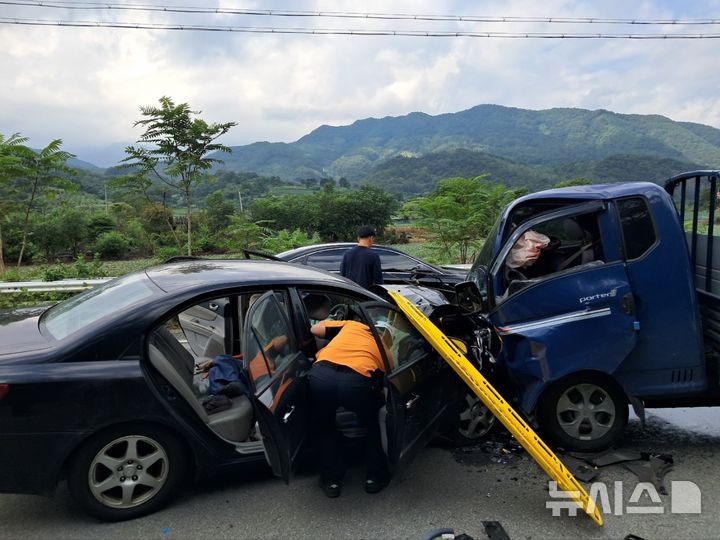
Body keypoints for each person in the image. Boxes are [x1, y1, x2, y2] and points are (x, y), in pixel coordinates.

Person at [308, 315, 390, 498]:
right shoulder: (384, 347)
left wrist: (337, 330)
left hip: (321, 376)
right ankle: (374, 479)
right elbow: (387, 379)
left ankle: (331, 481)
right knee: (371, 425)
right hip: (356, 383)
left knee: (325, 426)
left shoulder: (351, 325)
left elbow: (315, 330)